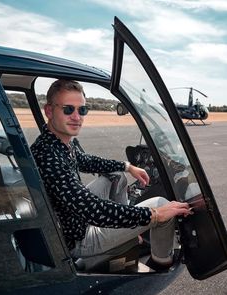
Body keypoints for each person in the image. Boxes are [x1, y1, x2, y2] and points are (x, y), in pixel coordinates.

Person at [31, 79, 192, 272]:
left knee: (116, 175)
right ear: (49, 111)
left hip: (71, 217)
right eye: (68, 109)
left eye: (82, 110)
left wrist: (127, 166)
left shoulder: (58, 141)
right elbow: (93, 210)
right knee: (161, 205)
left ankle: (127, 234)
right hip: (77, 238)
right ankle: (160, 263)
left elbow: (85, 160)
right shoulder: (49, 156)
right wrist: (153, 215)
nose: (76, 117)